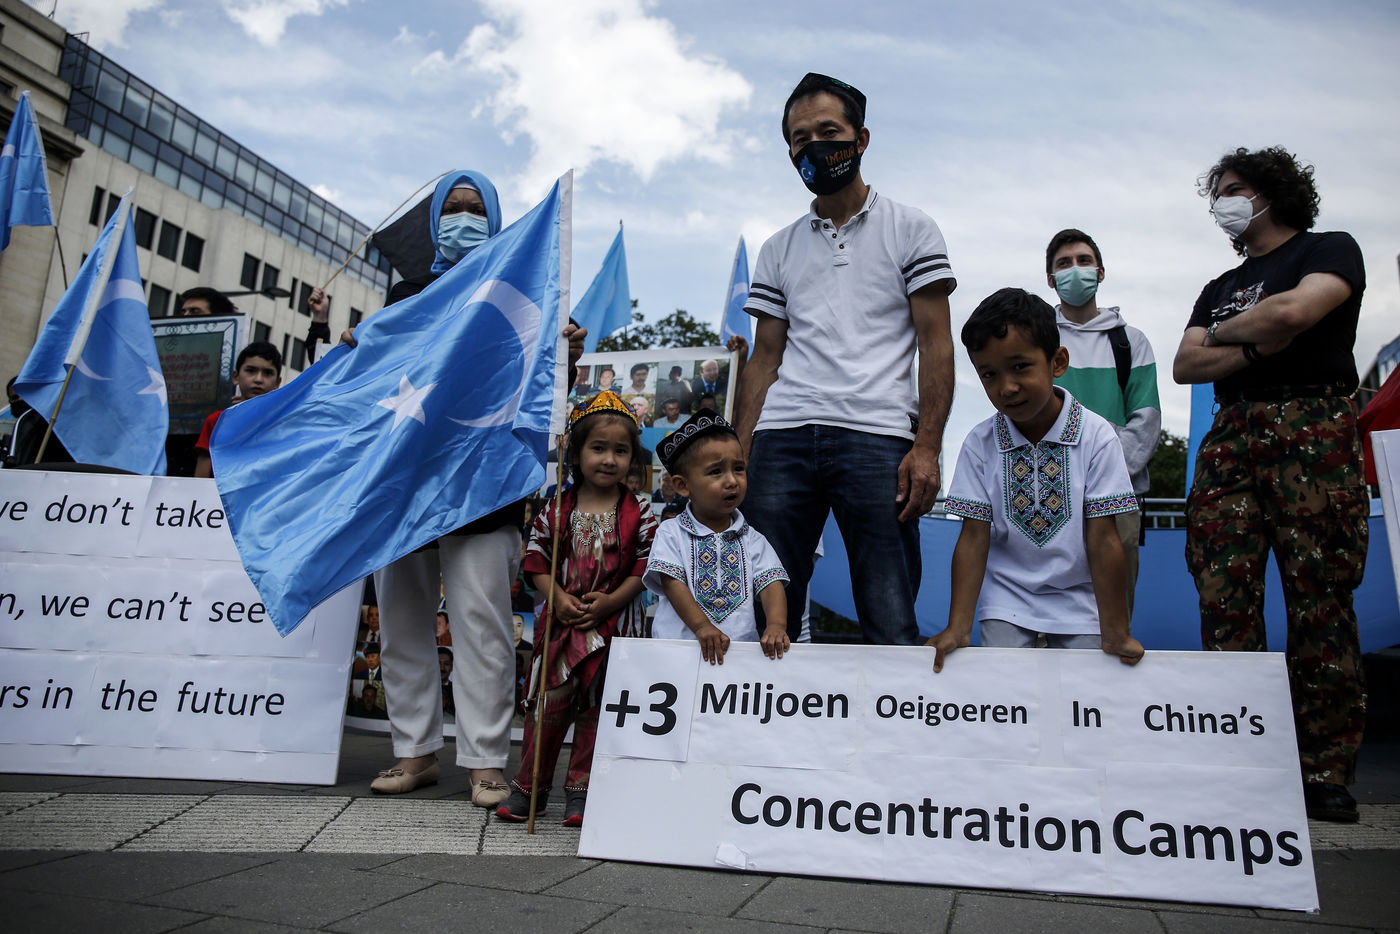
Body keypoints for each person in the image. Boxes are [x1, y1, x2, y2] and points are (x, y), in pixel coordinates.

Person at [319, 169, 587, 806]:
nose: (462, 219)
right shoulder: (406, 296)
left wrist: (566, 355)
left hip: (483, 485)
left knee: (482, 626)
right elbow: (380, 378)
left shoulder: (523, 292)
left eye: (475, 209)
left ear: (496, 222)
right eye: (452, 209)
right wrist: (357, 347)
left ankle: (486, 762)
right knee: (402, 624)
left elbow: (537, 386)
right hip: (403, 487)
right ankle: (413, 753)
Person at [1172, 146, 1368, 823]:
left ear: (1270, 191)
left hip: (1312, 428)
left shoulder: (1329, 249)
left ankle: (1324, 771)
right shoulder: (1220, 285)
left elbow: (1294, 314)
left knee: (1320, 600)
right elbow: (1186, 363)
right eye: (1217, 193)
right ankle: (1245, 762)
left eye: (1233, 189)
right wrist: (1253, 343)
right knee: (1224, 597)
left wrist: (1228, 337)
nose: (1222, 203)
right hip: (1231, 436)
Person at [736, 72, 956, 646]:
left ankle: (894, 711)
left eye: (828, 132)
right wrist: (739, 452)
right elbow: (764, 358)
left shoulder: (912, 228)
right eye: (800, 138)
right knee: (764, 615)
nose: (814, 146)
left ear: (861, 139)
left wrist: (927, 446)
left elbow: (936, 343)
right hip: (782, 434)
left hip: (879, 434)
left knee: (890, 616)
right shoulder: (778, 247)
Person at [927, 289, 1144, 671]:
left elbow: (1104, 538)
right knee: (1005, 692)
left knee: (1084, 693)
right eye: (989, 374)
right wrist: (958, 628)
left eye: (1020, 367)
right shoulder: (980, 443)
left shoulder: (1097, 436)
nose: (1007, 387)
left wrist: (1114, 629)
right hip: (1006, 601)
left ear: (1057, 362)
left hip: (1081, 601)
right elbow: (973, 539)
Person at [496, 391, 657, 826]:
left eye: (620, 451)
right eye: (598, 448)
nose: (609, 459)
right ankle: (530, 788)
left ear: (633, 458)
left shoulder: (640, 512)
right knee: (547, 707)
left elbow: (645, 566)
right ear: (577, 452)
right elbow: (536, 558)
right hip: (561, 628)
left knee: (598, 709)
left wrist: (611, 602)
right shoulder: (557, 508)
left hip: (613, 629)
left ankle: (582, 792)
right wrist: (557, 597)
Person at [1044, 228, 1161, 619]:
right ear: (1051, 279)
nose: (1075, 270)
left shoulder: (1130, 342)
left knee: (1112, 616)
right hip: (1048, 495)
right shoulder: (1037, 340)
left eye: (1084, 261)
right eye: (1064, 264)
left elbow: (1145, 422)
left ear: (1101, 272)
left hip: (1116, 500)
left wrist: (1100, 479)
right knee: (1044, 614)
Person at [646, 409, 789, 664]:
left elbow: (771, 584)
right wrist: (702, 626)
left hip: (739, 659)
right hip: (677, 655)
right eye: (716, 472)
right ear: (682, 486)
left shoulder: (754, 539)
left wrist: (776, 625)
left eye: (738, 468)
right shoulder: (671, 532)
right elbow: (671, 582)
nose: (732, 481)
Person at [193, 342, 282, 479]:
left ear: (277, 383)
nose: (258, 379)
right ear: (235, 377)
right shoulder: (217, 422)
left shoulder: (282, 424)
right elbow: (200, 479)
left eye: (267, 373)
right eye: (251, 370)